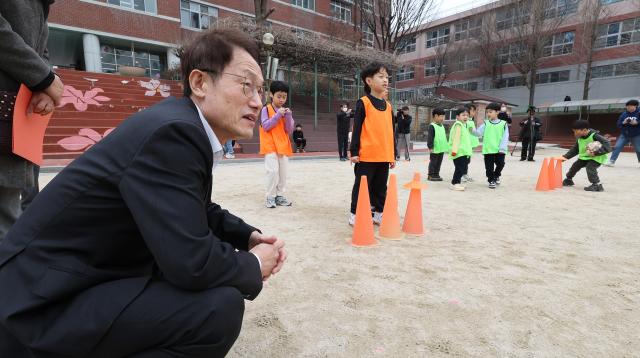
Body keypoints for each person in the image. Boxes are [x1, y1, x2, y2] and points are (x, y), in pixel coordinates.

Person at [0, 29, 287, 357]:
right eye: (246, 84)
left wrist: (246, 235)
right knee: (216, 310)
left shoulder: (176, 124)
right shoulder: (176, 132)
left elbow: (194, 209)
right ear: (200, 82)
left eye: (261, 90)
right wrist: (251, 265)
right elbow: (190, 262)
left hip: (59, 287)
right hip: (39, 307)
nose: (256, 100)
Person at [0, 0, 64, 243]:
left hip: (17, 123)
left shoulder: (40, 6)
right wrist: (44, 79)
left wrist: (43, 86)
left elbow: (40, 51)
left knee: (9, 216)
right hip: (7, 119)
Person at [349, 62, 396, 226]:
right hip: (366, 155)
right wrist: (353, 151)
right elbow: (357, 129)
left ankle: (378, 213)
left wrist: (393, 154)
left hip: (383, 155)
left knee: (381, 187)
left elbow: (391, 131)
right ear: (369, 81)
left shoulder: (389, 106)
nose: (385, 80)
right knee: (362, 186)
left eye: (387, 77)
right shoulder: (363, 102)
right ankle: (355, 213)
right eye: (381, 76)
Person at [259, 80, 294, 208]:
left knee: (283, 173)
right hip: (270, 145)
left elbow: (289, 130)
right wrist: (278, 115)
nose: (282, 99)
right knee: (272, 171)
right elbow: (266, 126)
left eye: (284, 97)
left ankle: (279, 195)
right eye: (279, 96)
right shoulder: (266, 109)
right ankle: (270, 196)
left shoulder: (286, 111)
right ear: (271, 95)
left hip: (283, 145)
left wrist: (288, 116)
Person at [557, 120, 611, 192]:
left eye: (576, 131)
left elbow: (608, 145)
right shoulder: (580, 138)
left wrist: (596, 152)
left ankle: (596, 185)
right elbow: (575, 149)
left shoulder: (595, 135)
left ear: (584, 130)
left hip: (596, 157)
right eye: (574, 131)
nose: (575, 133)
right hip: (585, 157)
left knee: (590, 167)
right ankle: (568, 179)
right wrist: (565, 157)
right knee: (575, 166)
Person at [472, 102, 509, 189]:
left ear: (497, 112)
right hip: (488, 149)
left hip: (500, 150)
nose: (488, 114)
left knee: (501, 164)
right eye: (487, 112)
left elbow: (505, 137)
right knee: (489, 167)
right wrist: (471, 129)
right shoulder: (486, 123)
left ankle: (496, 176)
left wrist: (502, 148)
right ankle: (491, 180)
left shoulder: (503, 124)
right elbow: (478, 133)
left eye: (490, 112)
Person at [604, 99, 639, 167]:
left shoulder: (639, 113)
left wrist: (637, 123)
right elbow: (618, 124)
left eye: (629, 106)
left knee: (638, 149)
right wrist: (623, 122)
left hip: (636, 135)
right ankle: (612, 161)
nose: (628, 108)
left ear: (635, 106)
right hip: (625, 134)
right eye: (627, 106)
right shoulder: (624, 114)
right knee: (617, 146)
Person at [448, 107, 472, 191]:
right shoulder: (458, 125)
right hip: (458, 152)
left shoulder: (463, 125)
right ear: (457, 117)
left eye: (467, 115)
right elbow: (456, 139)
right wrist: (454, 151)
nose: (465, 117)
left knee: (461, 168)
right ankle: (455, 183)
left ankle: (457, 183)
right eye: (463, 115)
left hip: (463, 152)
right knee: (459, 168)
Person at [427, 107, 448, 181]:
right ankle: (431, 175)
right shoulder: (432, 126)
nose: (443, 118)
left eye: (443, 116)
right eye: (441, 116)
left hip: (441, 149)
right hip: (435, 149)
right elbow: (430, 137)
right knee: (433, 162)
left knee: (439, 162)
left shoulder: (442, 126)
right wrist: (430, 147)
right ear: (436, 116)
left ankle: (436, 174)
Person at [462, 103, 480, 183]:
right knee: (464, 161)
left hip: (470, 145)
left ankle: (465, 174)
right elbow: (470, 132)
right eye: (473, 111)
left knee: (467, 161)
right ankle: (462, 175)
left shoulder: (470, 121)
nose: (474, 113)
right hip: (466, 145)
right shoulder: (466, 122)